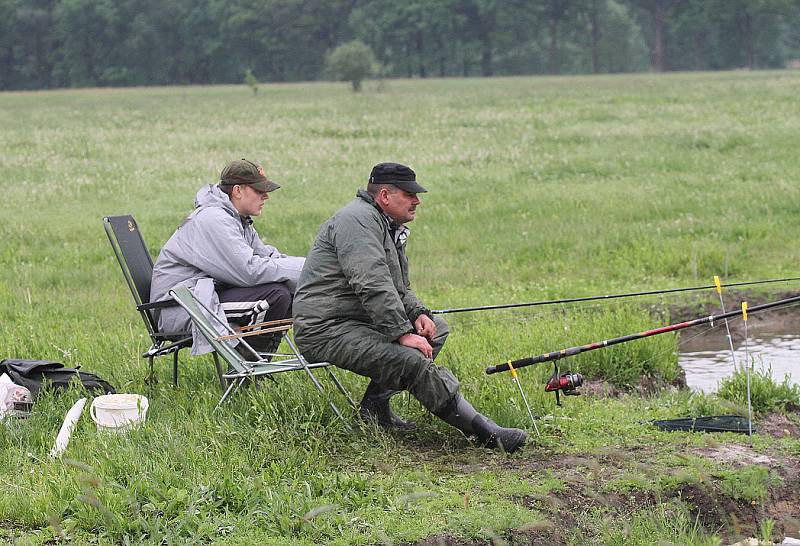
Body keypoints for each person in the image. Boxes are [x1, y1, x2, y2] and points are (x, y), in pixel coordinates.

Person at [293, 162, 526, 452]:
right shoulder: (357, 221)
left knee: (435, 330)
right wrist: (402, 333)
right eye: (409, 194)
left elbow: (398, 287)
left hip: (355, 320)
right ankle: (486, 433)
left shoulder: (385, 223)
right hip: (325, 328)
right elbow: (372, 283)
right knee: (412, 358)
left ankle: (374, 410)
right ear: (385, 196)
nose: (417, 200)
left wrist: (418, 315)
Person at [150, 158, 304, 356]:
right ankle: (247, 368)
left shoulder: (235, 218)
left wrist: (314, 267)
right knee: (275, 296)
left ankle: (255, 364)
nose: (266, 196)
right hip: (179, 308)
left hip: (200, 296)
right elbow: (249, 271)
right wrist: (307, 271)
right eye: (259, 190)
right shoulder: (213, 219)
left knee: (286, 291)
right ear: (237, 191)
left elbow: (267, 256)